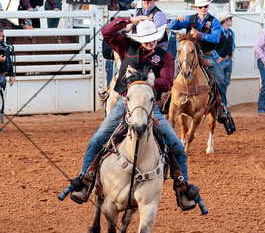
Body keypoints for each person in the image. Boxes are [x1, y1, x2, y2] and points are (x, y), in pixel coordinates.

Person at [69, 17, 198, 210]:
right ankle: (85, 179)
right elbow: (107, 33)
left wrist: (146, 81)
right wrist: (130, 20)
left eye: (153, 38)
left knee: (176, 145)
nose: (150, 42)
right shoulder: (126, 47)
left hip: (149, 107)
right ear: (139, 38)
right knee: (98, 139)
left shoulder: (165, 57)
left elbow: (167, 82)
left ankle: (182, 184)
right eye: (146, 39)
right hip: (124, 103)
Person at [168, 0, 229, 120]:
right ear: (196, 8)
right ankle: (166, 100)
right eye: (200, 7)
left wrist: (199, 35)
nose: (203, 9)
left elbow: (216, 38)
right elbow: (171, 26)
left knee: (219, 80)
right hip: (189, 54)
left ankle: (221, 106)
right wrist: (177, 19)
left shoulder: (214, 21)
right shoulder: (190, 19)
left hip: (207, 54)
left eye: (205, 6)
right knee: (172, 72)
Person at [216, 12, 236, 93]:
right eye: (230, 19)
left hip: (227, 60)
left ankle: (222, 101)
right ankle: (220, 102)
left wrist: (232, 51)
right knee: (219, 82)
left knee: (226, 82)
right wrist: (217, 57)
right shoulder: (217, 32)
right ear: (225, 20)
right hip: (220, 61)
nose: (231, 20)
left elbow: (233, 43)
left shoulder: (231, 32)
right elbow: (211, 46)